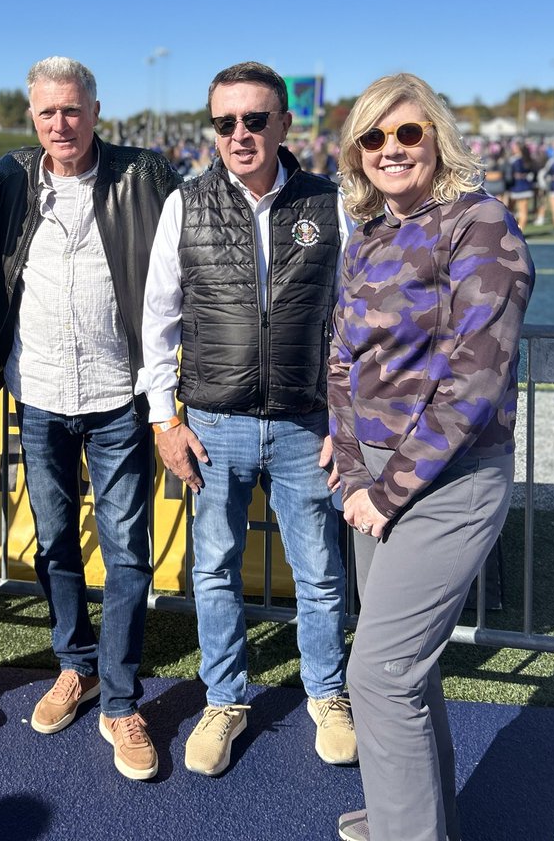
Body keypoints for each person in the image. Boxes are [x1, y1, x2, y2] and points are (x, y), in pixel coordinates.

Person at [328, 73, 534, 841]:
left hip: (449, 483)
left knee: (379, 673)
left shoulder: (480, 226)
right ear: (356, 153)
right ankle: (408, 815)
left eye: (407, 133)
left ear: (437, 139)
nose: (391, 149)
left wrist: (386, 493)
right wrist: (354, 471)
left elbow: (476, 377)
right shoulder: (371, 233)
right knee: (402, 672)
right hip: (373, 478)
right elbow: (341, 358)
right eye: (374, 138)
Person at [138, 60, 356, 778]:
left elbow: (359, 323)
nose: (239, 134)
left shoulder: (332, 204)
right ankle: (225, 699)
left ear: (285, 125)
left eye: (255, 119)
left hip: (304, 425)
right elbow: (158, 321)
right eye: (225, 122)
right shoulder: (185, 203)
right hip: (213, 422)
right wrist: (165, 422)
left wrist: (347, 423)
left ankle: (327, 693)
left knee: (321, 574)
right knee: (214, 570)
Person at [0, 56, 178, 781]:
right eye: (46, 113)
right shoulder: (11, 179)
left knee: (126, 552)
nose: (60, 124)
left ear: (96, 112)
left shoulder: (143, 176)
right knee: (57, 542)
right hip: (38, 395)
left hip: (117, 396)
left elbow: (189, 257)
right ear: (31, 118)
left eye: (72, 110)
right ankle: (77, 664)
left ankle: (121, 700)